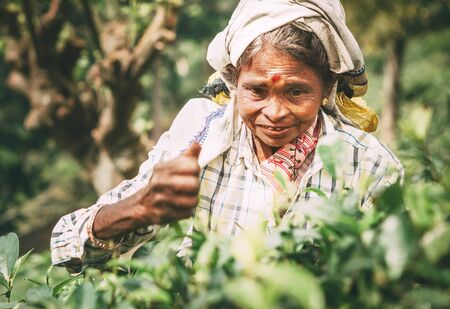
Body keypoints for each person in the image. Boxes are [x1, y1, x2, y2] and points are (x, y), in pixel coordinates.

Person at [51, 0, 403, 273]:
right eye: (257, 91)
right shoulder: (199, 136)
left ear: (327, 86)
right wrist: (140, 206)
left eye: (296, 92)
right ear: (234, 82)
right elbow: (67, 245)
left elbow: (398, 286)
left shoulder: (369, 165)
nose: (276, 112)